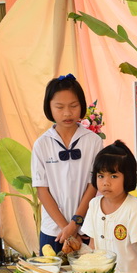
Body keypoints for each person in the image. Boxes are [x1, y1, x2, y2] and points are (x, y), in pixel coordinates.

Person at [32, 74, 103, 254]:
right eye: (59, 107)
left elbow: (93, 185)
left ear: (81, 106)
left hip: (86, 228)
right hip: (54, 231)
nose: (67, 113)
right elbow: (42, 190)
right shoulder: (42, 144)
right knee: (54, 271)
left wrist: (75, 224)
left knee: (89, 271)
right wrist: (67, 229)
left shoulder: (93, 141)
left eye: (73, 106)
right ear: (49, 107)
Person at [81, 141, 137, 273]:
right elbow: (93, 245)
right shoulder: (94, 204)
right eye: (101, 176)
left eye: (113, 176)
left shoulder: (135, 208)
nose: (105, 182)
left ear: (127, 177)